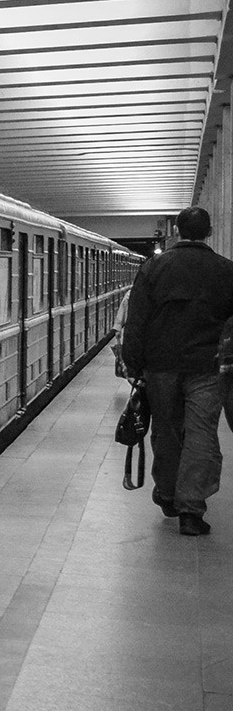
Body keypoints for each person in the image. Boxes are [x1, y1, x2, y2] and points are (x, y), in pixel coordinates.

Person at [120, 206, 233, 536]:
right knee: (201, 433)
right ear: (209, 232)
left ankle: (168, 494)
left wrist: (133, 364)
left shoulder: (154, 267)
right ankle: (191, 511)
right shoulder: (226, 271)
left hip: (161, 366)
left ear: (179, 232)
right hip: (207, 367)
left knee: (166, 430)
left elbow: (137, 320)